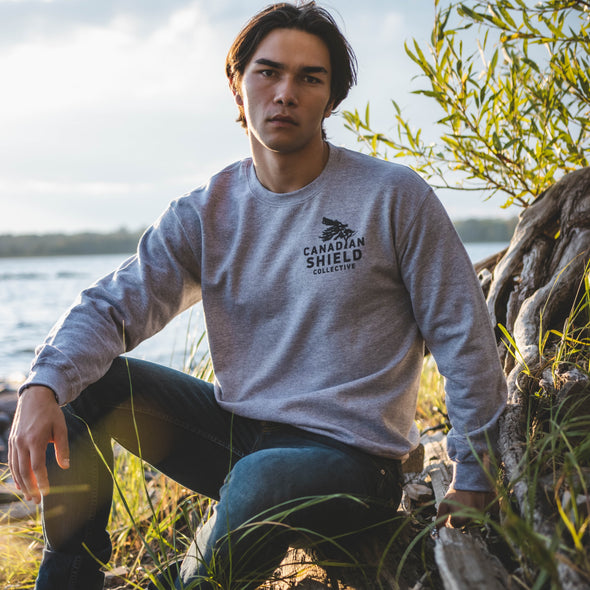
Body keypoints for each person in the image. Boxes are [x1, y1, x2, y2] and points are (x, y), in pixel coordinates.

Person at [9, 2, 507, 589]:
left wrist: (473, 474)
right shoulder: (206, 212)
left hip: (354, 462)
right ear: (237, 85)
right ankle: (69, 581)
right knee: (87, 381)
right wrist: (41, 385)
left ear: (330, 97)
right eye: (268, 72)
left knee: (262, 478)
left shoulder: (392, 198)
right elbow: (113, 305)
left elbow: (463, 336)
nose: (286, 92)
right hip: (240, 437)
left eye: (309, 78)